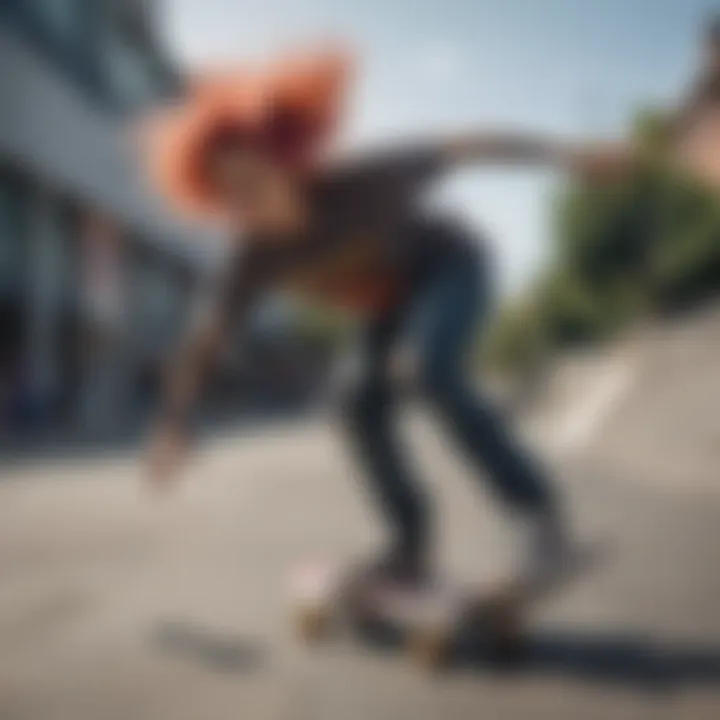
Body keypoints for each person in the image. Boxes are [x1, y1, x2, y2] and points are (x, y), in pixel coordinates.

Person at [143, 49, 598, 592]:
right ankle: (410, 551)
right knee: (354, 402)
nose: (249, 204)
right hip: (387, 308)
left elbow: (467, 144)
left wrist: (566, 155)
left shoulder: (363, 182)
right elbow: (203, 341)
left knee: (427, 367)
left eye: (253, 181)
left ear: (287, 161)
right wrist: (174, 423)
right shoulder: (252, 256)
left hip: (451, 267)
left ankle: (540, 523)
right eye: (232, 195)